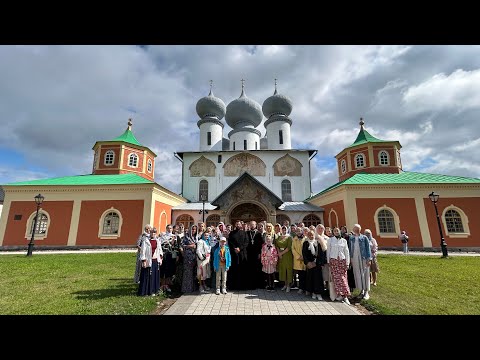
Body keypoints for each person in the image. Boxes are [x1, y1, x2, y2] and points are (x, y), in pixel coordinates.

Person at [327, 227, 351, 304]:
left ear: (340, 231)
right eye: (335, 231)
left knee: (343, 278)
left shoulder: (343, 240)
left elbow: (346, 252)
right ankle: (340, 294)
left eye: (337, 231)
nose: (336, 232)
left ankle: (346, 295)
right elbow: (328, 251)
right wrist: (328, 261)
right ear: (333, 232)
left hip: (342, 261)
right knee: (336, 279)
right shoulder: (330, 240)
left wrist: (347, 263)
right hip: (333, 261)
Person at [348, 224, 372, 300]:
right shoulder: (351, 238)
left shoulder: (364, 238)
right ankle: (361, 290)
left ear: (360, 229)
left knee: (365, 274)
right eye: (355, 228)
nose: (356, 230)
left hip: (363, 258)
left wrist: (369, 259)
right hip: (354, 258)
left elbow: (368, 249)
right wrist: (350, 259)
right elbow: (349, 248)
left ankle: (366, 292)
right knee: (357, 274)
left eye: (357, 228)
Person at [138, 227, 163, 296]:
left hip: (155, 261)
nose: (153, 234)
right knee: (147, 276)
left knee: (154, 277)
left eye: (154, 232)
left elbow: (160, 250)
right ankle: (145, 292)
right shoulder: (146, 241)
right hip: (148, 260)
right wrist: (143, 260)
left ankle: (153, 291)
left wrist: (160, 258)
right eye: (152, 232)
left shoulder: (157, 241)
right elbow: (143, 251)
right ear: (150, 233)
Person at [302, 229, 324, 301]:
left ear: (314, 235)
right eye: (309, 235)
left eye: (312, 235)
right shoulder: (305, 243)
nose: (311, 236)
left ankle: (318, 293)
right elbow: (304, 254)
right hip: (309, 264)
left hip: (317, 264)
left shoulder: (318, 243)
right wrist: (307, 263)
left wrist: (318, 263)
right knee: (311, 279)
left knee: (318, 279)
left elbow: (321, 254)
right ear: (307, 236)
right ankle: (313, 293)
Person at [227, 220, 249, 290]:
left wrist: (240, 248)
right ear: (235, 225)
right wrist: (235, 249)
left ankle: (243, 286)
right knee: (234, 270)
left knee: (243, 269)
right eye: (236, 224)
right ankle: (234, 286)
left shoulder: (244, 233)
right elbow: (230, 242)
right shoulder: (231, 233)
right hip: (234, 254)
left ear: (241, 225)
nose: (238, 225)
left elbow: (246, 242)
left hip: (242, 254)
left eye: (239, 224)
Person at [181, 224, 198, 293]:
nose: (194, 231)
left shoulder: (196, 237)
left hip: (195, 257)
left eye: (195, 229)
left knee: (194, 273)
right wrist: (190, 246)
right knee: (188, 273)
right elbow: (182, 245)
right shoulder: (186, 237)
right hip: (188, 257)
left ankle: (193, 288)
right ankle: (187, 289)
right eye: (193, 229)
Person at [276, 225, 294, 292]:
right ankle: (285, 285)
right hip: (281, 256)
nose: (284, 230)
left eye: (285, 229)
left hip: (287, 255)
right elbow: (277, 245)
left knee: (288, 270)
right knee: (283, 270)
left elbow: (289, 247)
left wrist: (281, 253)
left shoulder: (289, 237)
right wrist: (279, 253)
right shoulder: (279, 237)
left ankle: (289, 285)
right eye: (282, 229)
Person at [160, 224, 177, 293]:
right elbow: (160, 244)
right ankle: (162, 285)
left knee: (169, 270)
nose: (169, 229)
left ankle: (167, 285)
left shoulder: (174, 237)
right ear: (166, 229)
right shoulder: (162, 236)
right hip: (163, 254)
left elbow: (175, 247)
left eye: (170, 228)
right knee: (162, 269)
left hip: (170, 255)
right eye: (168, 228)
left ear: (172, 229)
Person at [196, 226, 212, 293]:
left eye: (208, 235)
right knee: (201, 273)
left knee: (205, 274)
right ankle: (201, 287)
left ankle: (204, 285)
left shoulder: (208, 242)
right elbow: (198, 250)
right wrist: (202, 258)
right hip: (202, 260)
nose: (206, 236)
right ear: (203, 235)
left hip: (207, 260)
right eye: (205, 235)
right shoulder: (200, 241)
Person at [291, 226, 306, 294]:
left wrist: (304, 256)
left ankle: (305, 288)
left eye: (300, 231)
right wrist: (298, 256)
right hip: (298, 259)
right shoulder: (294, 239)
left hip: (305, 259)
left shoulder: (305, 239)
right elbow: (293, 249)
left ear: (302, 231)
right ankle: (300, 288)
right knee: (300, 275)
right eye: (297, 231)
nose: (298, 232)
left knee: (305, 275)